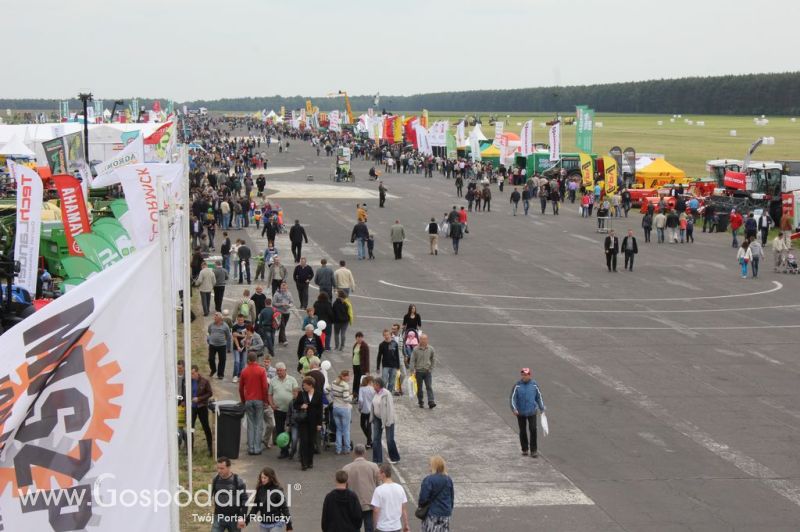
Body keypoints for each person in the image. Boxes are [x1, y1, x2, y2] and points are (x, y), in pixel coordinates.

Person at [343, 444, 380, 532]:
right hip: (370, 502)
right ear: (365, 453)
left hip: (353, 504)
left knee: (354, 527)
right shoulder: (373, 466)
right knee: (369, 527)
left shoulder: (346, 468)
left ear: (354, 453)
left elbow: (344, 488)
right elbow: (379, 485)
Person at [510, 368, 546, 457]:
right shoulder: (517, 386)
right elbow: (512, 399)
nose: (524, 376)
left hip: (532, 411)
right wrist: (514, 409)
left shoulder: (534, 385)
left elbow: (539, 397)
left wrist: (542, 408)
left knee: (533, 429)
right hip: (520, 412)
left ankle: (533, 450)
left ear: (530, 375)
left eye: (526, 375)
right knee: (522, 431)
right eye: (523, 375)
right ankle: (525, 449)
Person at [240, 352, 269, 455]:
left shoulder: (244, 371)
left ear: (248, 360)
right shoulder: (261, 370)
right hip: (259, 399)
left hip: (248, 400)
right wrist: (266, 400)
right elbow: (265, 387)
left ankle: (251, 448)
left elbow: (240, 388)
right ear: (256, 359)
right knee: (259, 424)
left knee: (250, 424)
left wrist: (243, 400)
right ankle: (257, 448)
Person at [418, 456, 455, 532]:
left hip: (433, 512)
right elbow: (451, 497)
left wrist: (421, 506)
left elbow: (423, 498)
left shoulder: (429, 480)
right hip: (445, 513)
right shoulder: (448, 479)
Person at [210, 457, 247, 531]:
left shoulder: (238, 481)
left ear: (229, 467)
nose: (219, 471)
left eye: (222, 468)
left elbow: (244, 500)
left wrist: (242, 517)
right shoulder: (216, 479)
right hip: (219, 516)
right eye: (218, 468)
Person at [250, 467, 293, 531]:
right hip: (263, 524)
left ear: (270, 478)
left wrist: (289, 525)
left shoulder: (277, 490)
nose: (263, 480)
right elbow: (255, 508)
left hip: (276, 524)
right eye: (262, 477)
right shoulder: (260, 489)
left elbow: (284, 508)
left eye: (265, 478)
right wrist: (247, 520)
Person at [295, 376, 323, 471]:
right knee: (304, 442)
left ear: (311, 385)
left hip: (314, 422)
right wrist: (301, 406)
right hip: (303, 421)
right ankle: (304, 463)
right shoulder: (301, 394)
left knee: (311, 442)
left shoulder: (318, 394)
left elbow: (320, 409)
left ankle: (310, 461)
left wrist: (319, 423)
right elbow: (295, 405)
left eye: (305, 385)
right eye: (303, 385)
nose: (303, 387)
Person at [271, 362, 298, 459]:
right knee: (279, 430)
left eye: (280, 370)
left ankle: (290, 446)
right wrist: (272, 404)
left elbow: (296, 393)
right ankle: (284, 450)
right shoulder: (273, 380)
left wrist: (295, 403)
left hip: (290, 411)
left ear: (285, 370)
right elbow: (269, 394)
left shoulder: (292, 380)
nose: (279, 372)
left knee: (290, 429)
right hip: (278, 410)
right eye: (277, 371)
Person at [371, 464, 410, 532]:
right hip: (396, 527)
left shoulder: (378, 490)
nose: (378, 475)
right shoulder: (400, 488)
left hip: (382, 527)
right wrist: (406, 524)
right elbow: (403, 509)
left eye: (379, 473)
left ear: (383, 474)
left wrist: (375, 526)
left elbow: (376, 510)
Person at [371, 378, 400, 464]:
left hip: (387, 419)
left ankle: (395, 458)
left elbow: (390, 408)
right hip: (377, 418)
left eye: (374, 384)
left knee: (389, 439)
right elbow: (373, 405)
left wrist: (389, 421)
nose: (373, 386)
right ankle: (377, 460)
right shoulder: (375, 393)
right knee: (376, 439)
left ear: (378, 385)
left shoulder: (387, 394)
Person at [189, 365, 213, 456]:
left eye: (193, 373)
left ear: (197, 372)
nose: (192, 375)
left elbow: (210, 393)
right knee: (191, 428)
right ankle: (190, 449)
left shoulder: (204, 381)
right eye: (190, 373)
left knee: (206, 427)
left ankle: (210, 448)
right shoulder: (188, 381)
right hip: (192, 408)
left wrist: (199, 399)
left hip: (202, 407)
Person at [411, 334, 436, 409]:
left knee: (429, 386)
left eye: (425, 339)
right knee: (419, 388)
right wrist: (412, 370)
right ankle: (420, 401)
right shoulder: (415, 349)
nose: (423, 341)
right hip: (418, 372)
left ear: (427, 340)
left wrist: (431, 369)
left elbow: (433, 360)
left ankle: (431, 401)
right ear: (419, 340)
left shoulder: (431, 349)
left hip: (427, 371)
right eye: (422, 339)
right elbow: (412, 360)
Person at [331, 370, 353, 455]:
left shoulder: (334, 382)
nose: (349, 377)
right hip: (344, 408)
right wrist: (351, 396)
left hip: (335, 408)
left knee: (339, 430)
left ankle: (338, 449)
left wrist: (332, 398)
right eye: (348, 376)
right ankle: (347, 448)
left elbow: (327, 390)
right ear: (344, 376)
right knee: (346, 430)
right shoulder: (345, 385)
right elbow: (346, 398)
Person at [208, 313, 231, 380]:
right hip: (212, 345)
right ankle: (213, 369)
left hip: (222, 345)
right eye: (214, 316)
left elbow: (228, 336)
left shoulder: (225, 326)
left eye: (216, 317)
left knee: (222, 360)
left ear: (220, 318)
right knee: (211, 359)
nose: (214, 318)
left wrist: (227, 346)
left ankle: (220, 374)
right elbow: (209, 332)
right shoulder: (211, 325)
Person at [377, 329, 401, 395]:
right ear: (383, 336)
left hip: (394, 366)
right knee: (384, 381)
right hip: (385, 366)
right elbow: (379, 356)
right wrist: (378, 367)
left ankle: (389, 394)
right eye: (385, 335)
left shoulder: (395, 343)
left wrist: (398, 366)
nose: (386, 336)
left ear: (390, 335)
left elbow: (397, 355)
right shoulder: (381, 345)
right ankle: (383, 393)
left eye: (387, 335)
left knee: (392, 382)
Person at [272, 281, 293, 346]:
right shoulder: (276, 294)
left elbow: (292, 302)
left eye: (285, 287)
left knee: (283, 327)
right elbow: (273, 303)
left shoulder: (289, 294)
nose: (283, 289)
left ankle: (280, 339)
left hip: (287, 312)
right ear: (280, 287)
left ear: (287, 287)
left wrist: (289, 305)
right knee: (282, 326)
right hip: (279, 312)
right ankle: (284, 340)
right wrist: (281, 304)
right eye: (282, 287)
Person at [358, 376, 376, 450]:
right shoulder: (373, 389)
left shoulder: (361, 389)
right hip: (371, 409)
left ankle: (369, 441)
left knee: (362, 425)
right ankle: (369, 441)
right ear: (370, 382)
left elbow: (360, 400)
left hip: (364, 409)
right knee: (369, 426)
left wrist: (360, 407)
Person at [352, 331, 370, 399]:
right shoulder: (355, 344)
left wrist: (367, 370)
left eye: (360, 337)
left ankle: (359, 395)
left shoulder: (364, 346)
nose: (359, 339)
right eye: (358, 337)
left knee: (360, 381)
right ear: (356, 338)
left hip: (361, 366)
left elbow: (367, 358)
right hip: (355, 365)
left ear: (362, 338)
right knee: (355, 380)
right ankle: (354, 394)